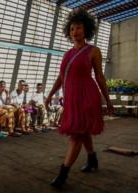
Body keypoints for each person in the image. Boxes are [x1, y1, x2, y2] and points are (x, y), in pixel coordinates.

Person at [45, 9, 114, 188]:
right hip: (72, 98)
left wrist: (107, 99)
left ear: (86, 30)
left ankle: (62, 175)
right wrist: (50, 94)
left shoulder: (94, 51)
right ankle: (92, 159)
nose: (75, 32)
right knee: (82, 132)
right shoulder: (67, 54)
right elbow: (61, 77)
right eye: (72, 29)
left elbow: (99, 77)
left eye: (79, 28)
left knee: (76, 135)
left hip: (87, 97)